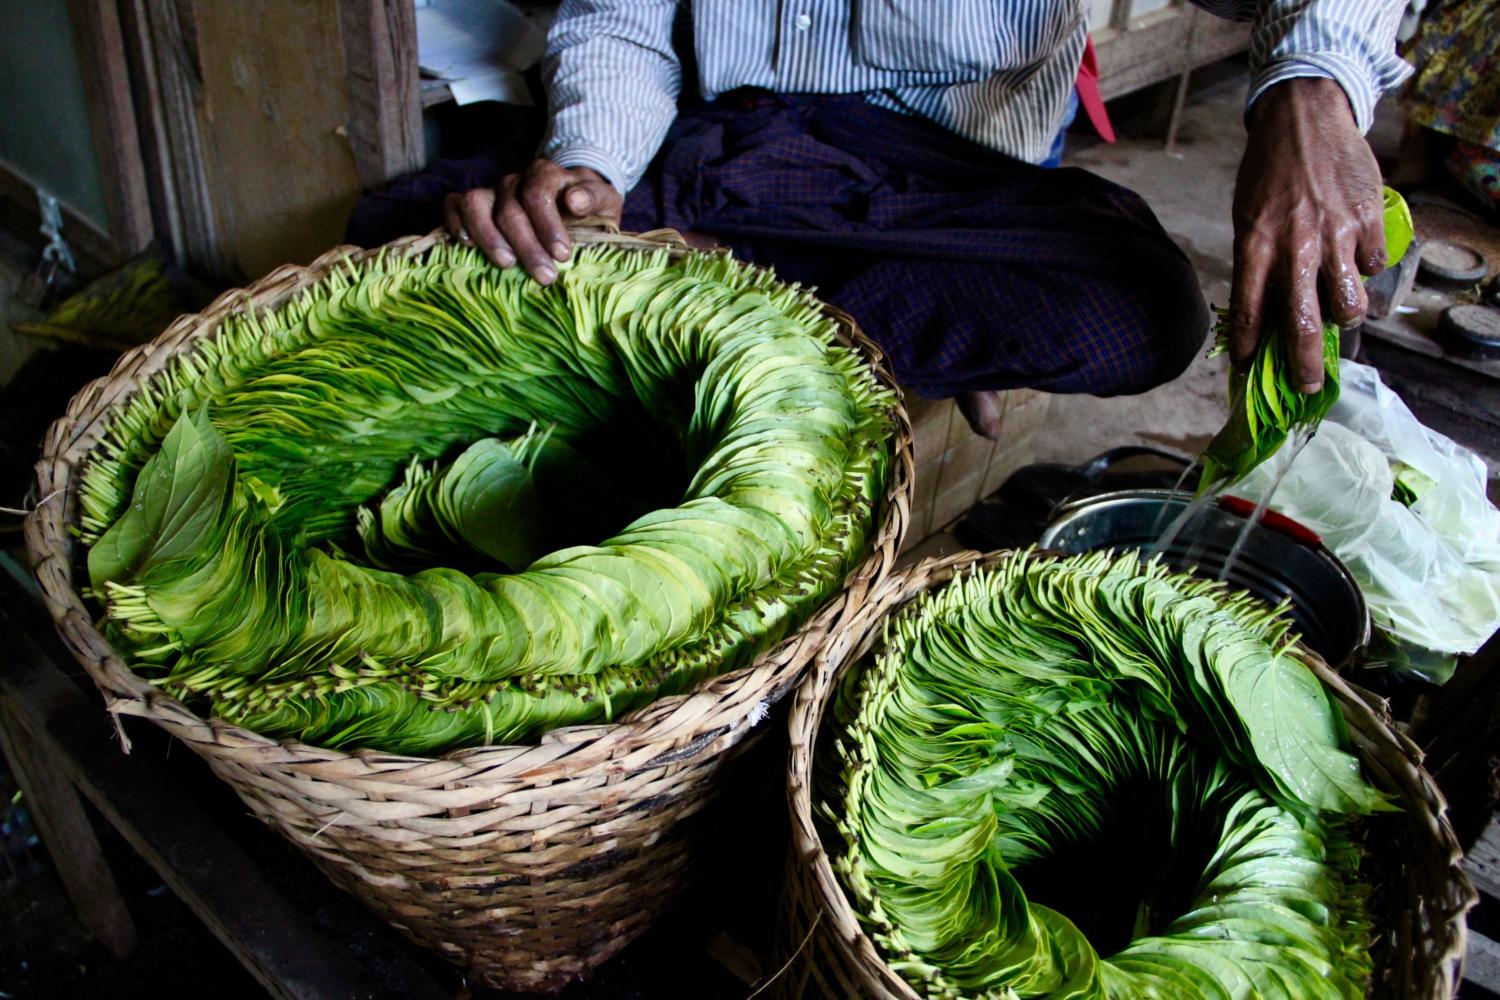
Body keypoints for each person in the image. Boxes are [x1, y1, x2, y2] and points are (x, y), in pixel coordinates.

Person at [439, 0, 1411, 439]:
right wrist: (590, 166)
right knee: (448, 226)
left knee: (1145, 312)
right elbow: (623, 24)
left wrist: (1312, 92)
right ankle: (777, 306)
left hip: (932, 177)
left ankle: (716, 291)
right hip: (713, 137)